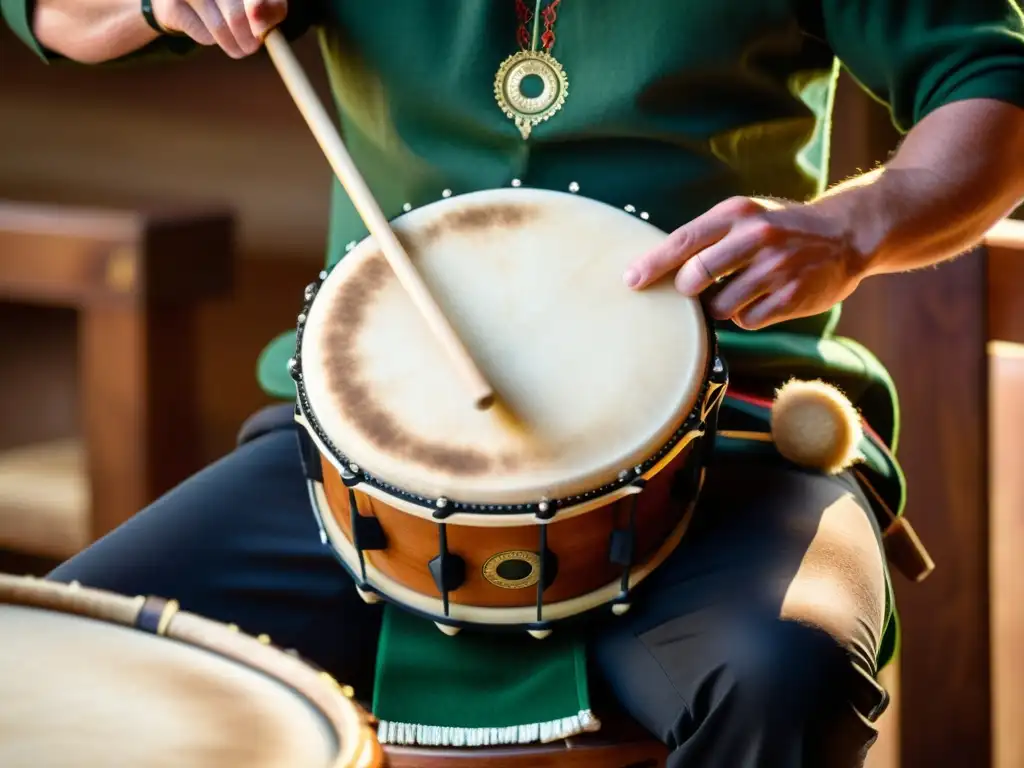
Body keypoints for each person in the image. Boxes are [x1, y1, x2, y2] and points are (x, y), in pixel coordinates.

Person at [5, 0, 1024, 765]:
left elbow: (991, 75)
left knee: (783, 675)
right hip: (355, 455)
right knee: (49, 673)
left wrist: (857, 223)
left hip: (725, 440)